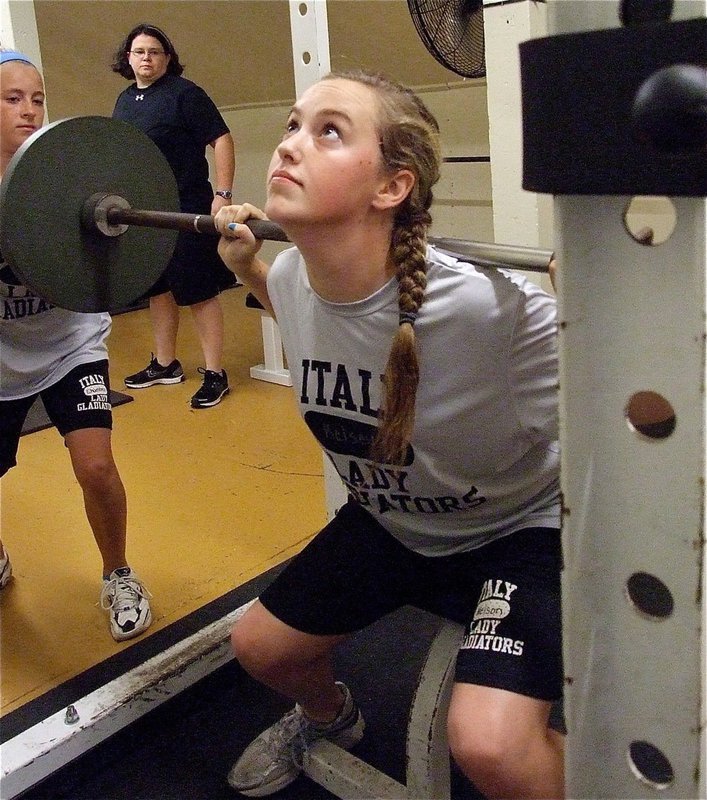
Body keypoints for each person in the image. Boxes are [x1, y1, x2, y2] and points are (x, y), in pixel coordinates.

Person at [214, 71, 564, 799]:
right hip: (394, 524)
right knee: (260, 649)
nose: (288, 146)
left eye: (327, 131)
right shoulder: (289, 281)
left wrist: (597, 306)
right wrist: (247, 265)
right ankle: (329, 717)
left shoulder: (491, 311)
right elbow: (330, 324)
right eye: (290, 124)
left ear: (390, 187)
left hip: (520, 531)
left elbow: (631, 408)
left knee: (490, 747)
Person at [0, 49, 152, 642]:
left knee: (95, 465)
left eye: (37, 98)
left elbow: (109, 256)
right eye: (13, 99)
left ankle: (118, 573)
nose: (30, 111)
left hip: (71, 343)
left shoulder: (66, 176)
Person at [111, 23, 236, 409]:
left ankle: (216, 373)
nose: (146, 58)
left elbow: (222, 139)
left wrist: (223, 193)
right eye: (139, 52)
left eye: (154, 52)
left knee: (197, 290)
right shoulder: (124, 100)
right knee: (158, 288)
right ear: (127, 58)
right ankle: (166, 364)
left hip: (186, 209)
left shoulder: (185, 95)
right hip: (144, 213)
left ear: (167, 58)